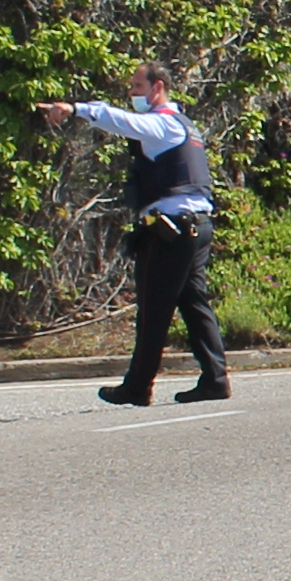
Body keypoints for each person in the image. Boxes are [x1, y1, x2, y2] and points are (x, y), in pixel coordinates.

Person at [44, 64, 229, 407]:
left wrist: (75, 109)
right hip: (196, 225)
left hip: (172, 228)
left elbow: (124, 122)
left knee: (153, 308)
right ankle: (215, 379)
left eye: (137, 86)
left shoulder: (162, 124)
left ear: (157, 87)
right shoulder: (186, 126)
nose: (132, 93)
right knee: (193, 304)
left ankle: (138, 386)